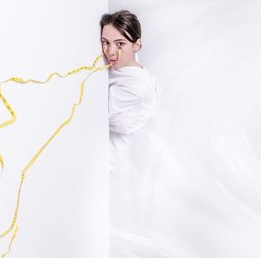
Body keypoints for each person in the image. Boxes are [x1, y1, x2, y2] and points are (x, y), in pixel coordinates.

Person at [100, 10, 162, 257]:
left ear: (137, 45)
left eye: (120, 44)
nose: (111, 52)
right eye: (105, 42)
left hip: (107, 164)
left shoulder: (137, 83)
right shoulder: (120, 71)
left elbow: (102, 118)